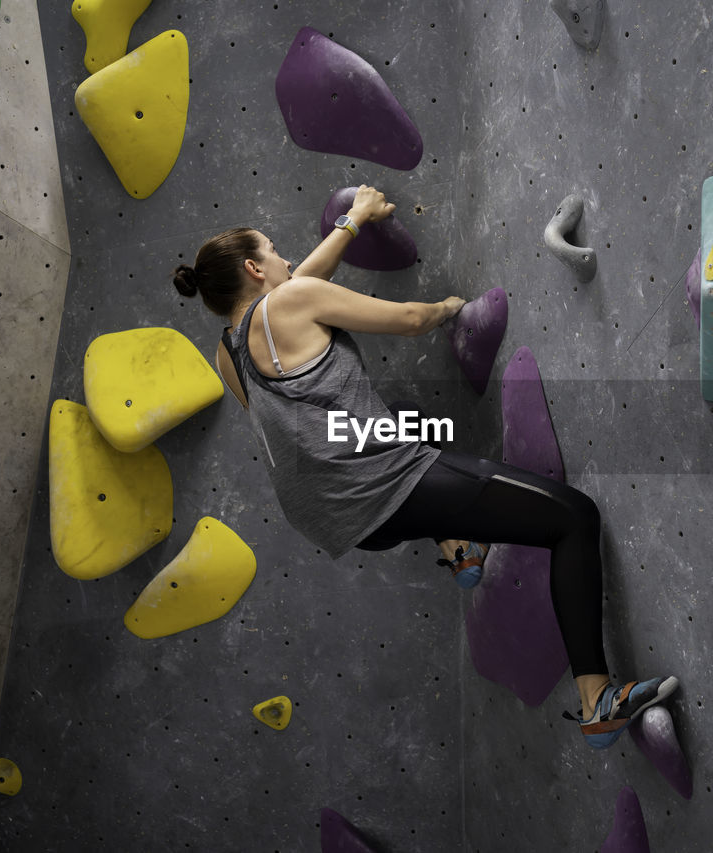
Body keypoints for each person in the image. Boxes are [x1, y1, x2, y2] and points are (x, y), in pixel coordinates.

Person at [172, 185, 677, 748]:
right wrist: (449, 310)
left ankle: (458, 548)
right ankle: (597, 701)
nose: (286, 257)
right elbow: (405, 318)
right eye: (274, 250)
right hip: (375, 487)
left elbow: (294, 289)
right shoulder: (289, 301)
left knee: (411, 424)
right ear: (253, 267)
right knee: (574, 518)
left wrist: (354, 219)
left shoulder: (227, 351)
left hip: (334, 518)